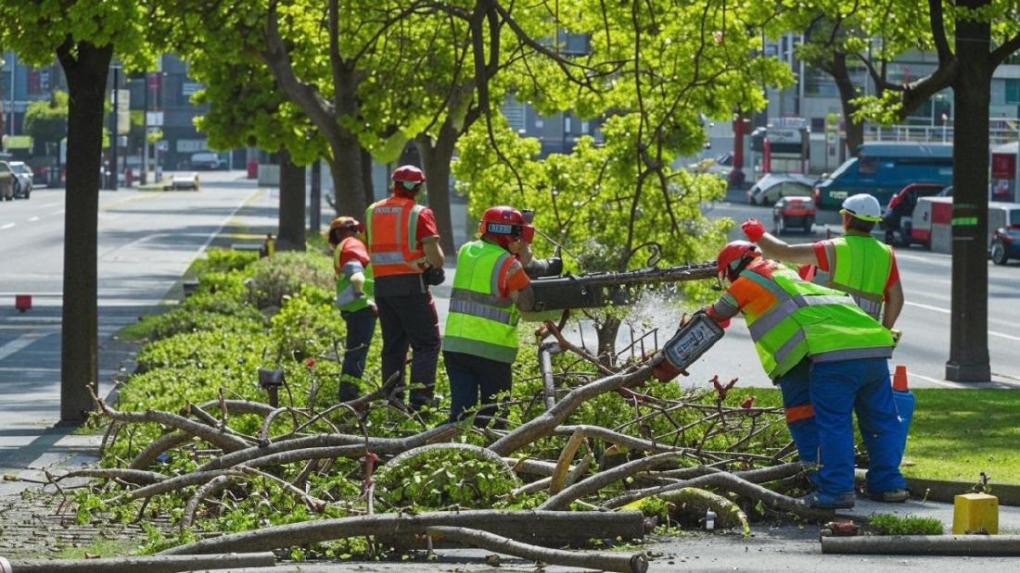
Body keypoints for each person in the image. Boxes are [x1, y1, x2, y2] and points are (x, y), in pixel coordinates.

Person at [703, 241, 906, 509]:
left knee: (833, 422)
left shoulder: (748, 279)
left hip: (833, 355)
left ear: (731, 268)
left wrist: (690, 322)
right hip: (872, 346)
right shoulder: (786, 275)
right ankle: (889, 484)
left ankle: (836, 490)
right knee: (880, 420)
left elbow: (717, 313)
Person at [741, 193, 903, 331]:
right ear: (874, 221)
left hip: (834, 332)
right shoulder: (886, 254)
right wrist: (885, 331)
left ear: (847, 218)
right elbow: (897, 299)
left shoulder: (834, 248)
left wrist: (758, 233)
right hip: (868, 333)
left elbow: (784, 252)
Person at [443, 206, 538, 427]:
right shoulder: (509, 264)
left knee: (460, 417)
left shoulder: (466, 251)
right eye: (517, 235)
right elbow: (527, 302)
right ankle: (491, 456)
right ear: (509, 235)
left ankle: (451, 451)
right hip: (491, 351)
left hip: (455, 347)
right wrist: (525, 254)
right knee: (494, 418)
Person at [365, 165, 445, 410]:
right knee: (426, 343)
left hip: (382, 287)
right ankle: (420, 402)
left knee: (393, 346)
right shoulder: (419, 213)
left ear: (393, 183)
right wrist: (434, 264)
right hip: (411, 286)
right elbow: (435, 256)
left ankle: (392, 400)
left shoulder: (372, 211)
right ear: (419, 187)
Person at [327, 216, 376, 402]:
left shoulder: (342, 247)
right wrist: (365, 298)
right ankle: (349, 397)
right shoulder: (352, 245)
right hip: (361, 308)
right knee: (356, 354)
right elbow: (357, 277)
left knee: (353, 352)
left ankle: (348, 395)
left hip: (351, 308)